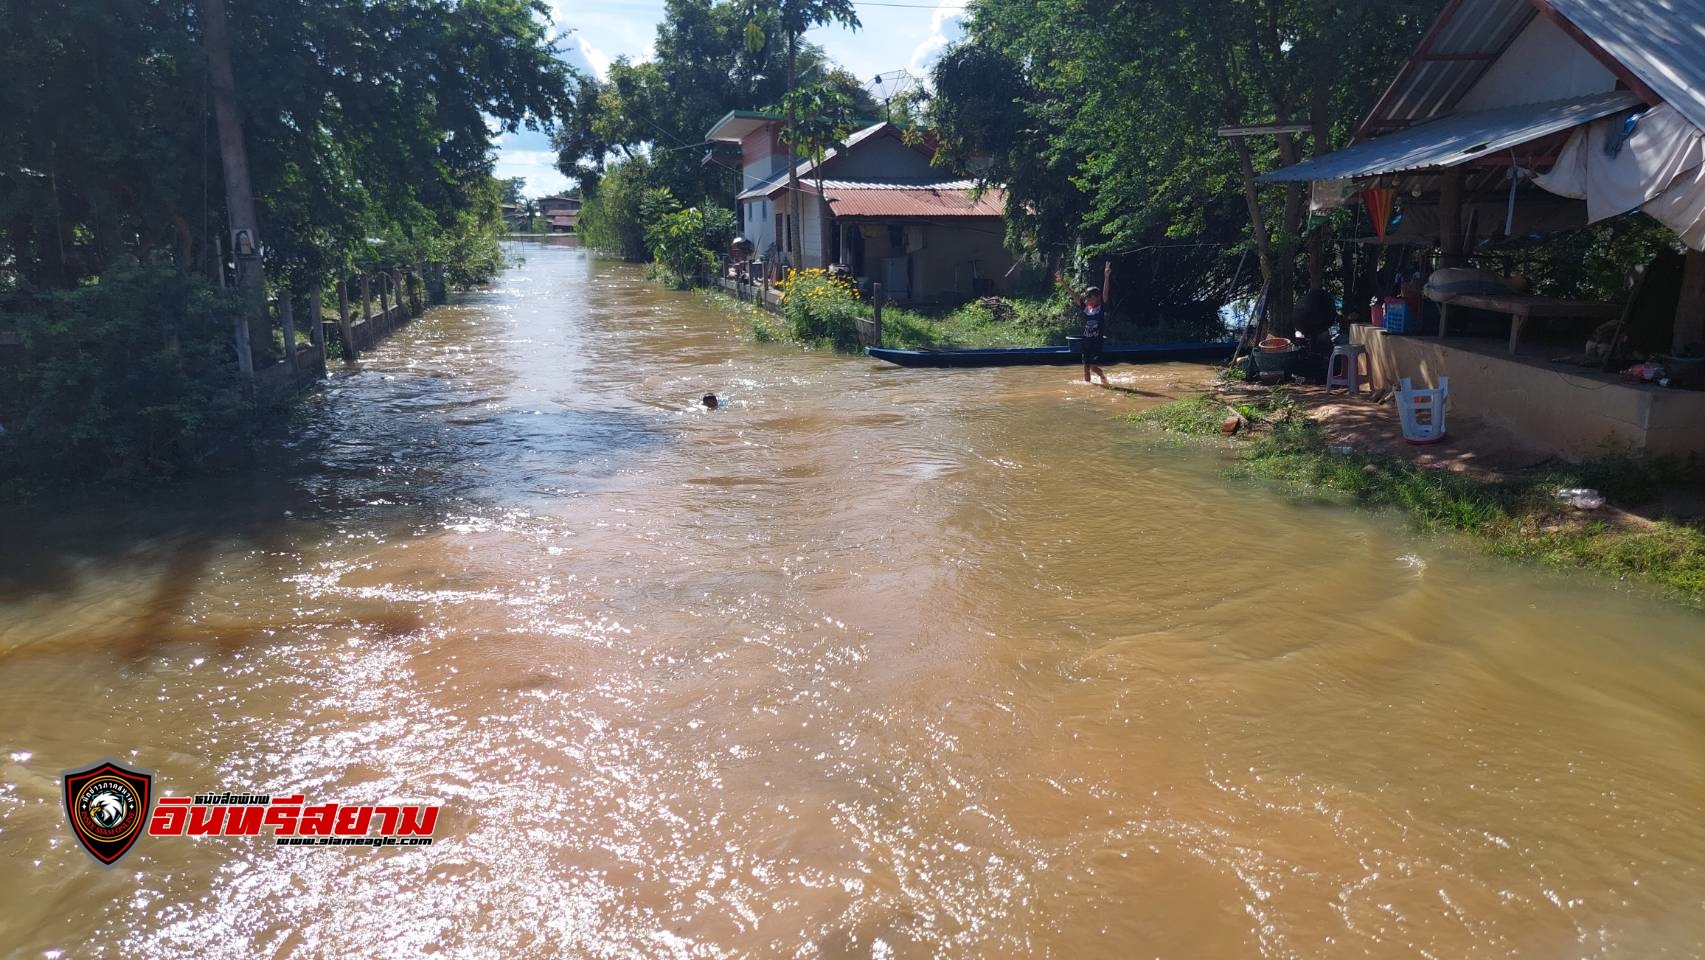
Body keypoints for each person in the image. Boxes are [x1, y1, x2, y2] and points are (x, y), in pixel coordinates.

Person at [1058, 274, 1109, 385]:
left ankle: (1103, 377)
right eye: (1087, 297)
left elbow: (1105, 295)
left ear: (1097, 298)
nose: (1087, 299)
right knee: (1086, 369)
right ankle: (1089, 389)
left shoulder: (1101, 308)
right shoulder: (1086, 308)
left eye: (1090, 297)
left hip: (1096, 343)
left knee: (1093, 367)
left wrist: (1106, 276)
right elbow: (1074, 295)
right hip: (1086, 342)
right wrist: (1063, 283)